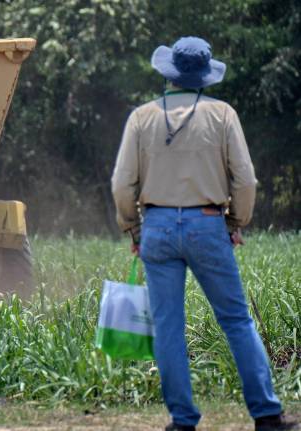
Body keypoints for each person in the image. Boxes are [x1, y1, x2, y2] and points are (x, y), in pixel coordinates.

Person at [111, 36, 298, 431]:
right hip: (208, 224)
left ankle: (182, 421)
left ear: (168, 74)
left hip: (158, 228)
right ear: (203, 77)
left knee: (167, 326)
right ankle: (266, 415)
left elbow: (121, 183)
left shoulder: (142, 117)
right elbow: (245, 180)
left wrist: (133, 228)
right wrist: (235, 223)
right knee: (236, 320)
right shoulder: (223, 115)